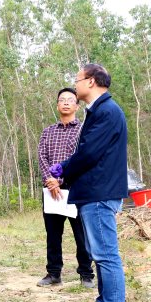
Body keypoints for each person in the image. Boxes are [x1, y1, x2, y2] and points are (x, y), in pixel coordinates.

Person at [51, 63, 128, 302]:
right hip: (94, 191)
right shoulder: (99, 111)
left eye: (78, 80)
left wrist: (65, 169)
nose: (75, 85)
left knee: (106, 254)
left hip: (100, 192)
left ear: (92, 82)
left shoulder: (107, 111)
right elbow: (88, 150)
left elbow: (89, 153)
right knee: (99, 253)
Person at [37, 88, 94, 289]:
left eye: (71, 100)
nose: (66, 103)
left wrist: (59, 180)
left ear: (77, 106)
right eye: (62, 100)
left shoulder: (83, 130)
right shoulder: (48, 131)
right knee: (53, 234)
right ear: (57, 105)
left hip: (76, 189)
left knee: (81, 233)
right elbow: (42, 157)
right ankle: (53, 273)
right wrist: (50, 180)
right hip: (50, 191)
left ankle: (86, 274)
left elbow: (81, 158)